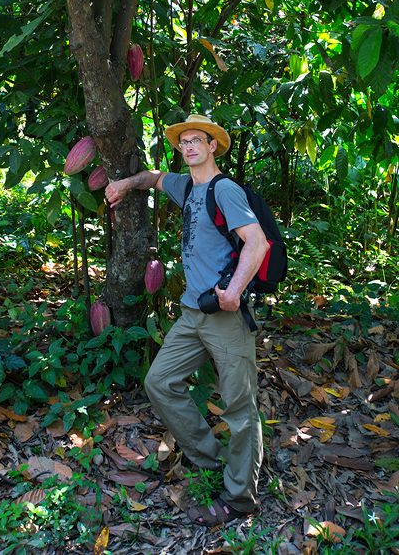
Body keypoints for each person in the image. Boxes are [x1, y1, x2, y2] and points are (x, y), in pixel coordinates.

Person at [104, 114, 268, 525]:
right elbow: (154, 178)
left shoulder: (224, 189)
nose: (190, 146)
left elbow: (258, 242)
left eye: (198, 140)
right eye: (184, 142)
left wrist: (233, 293)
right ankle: (211, 461)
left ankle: (239, 499)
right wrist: (125, 184)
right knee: (159, 382)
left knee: (239, 407)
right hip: (192, 315)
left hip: (224, 316)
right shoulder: (186, 185)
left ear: (213, 146)